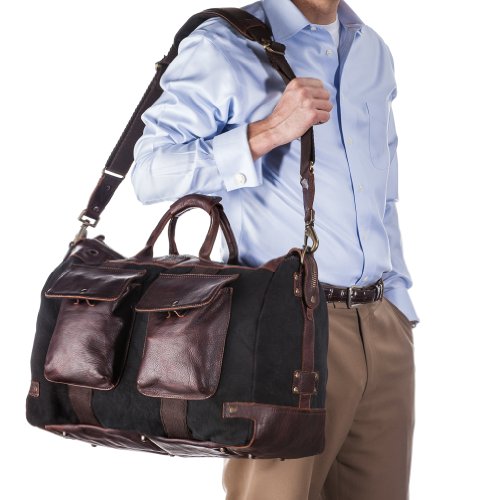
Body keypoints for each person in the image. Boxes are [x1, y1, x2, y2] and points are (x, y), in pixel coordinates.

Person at [131, 0, 419, 498]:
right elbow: (150, 173)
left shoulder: (370, 49)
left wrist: (397, 302)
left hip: (382, 329)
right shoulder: (222, 44)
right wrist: (268, 131)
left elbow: (382, 191)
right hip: (283, 331)